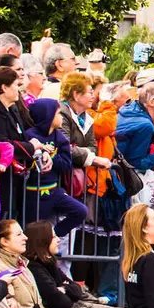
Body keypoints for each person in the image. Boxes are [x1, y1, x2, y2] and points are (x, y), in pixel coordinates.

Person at [25, 96, 89, 237]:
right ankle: (37, 251)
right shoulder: (29, 136)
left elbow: (66, 164)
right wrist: (39, 151)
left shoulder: (60, 138)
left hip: (54, 190)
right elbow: (26, 160)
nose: (61, 117)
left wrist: (53, 155)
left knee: (80, 211)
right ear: (48, 116)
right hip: (33, 193)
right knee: (34, 229)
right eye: (58, 113)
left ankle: (53, 237)